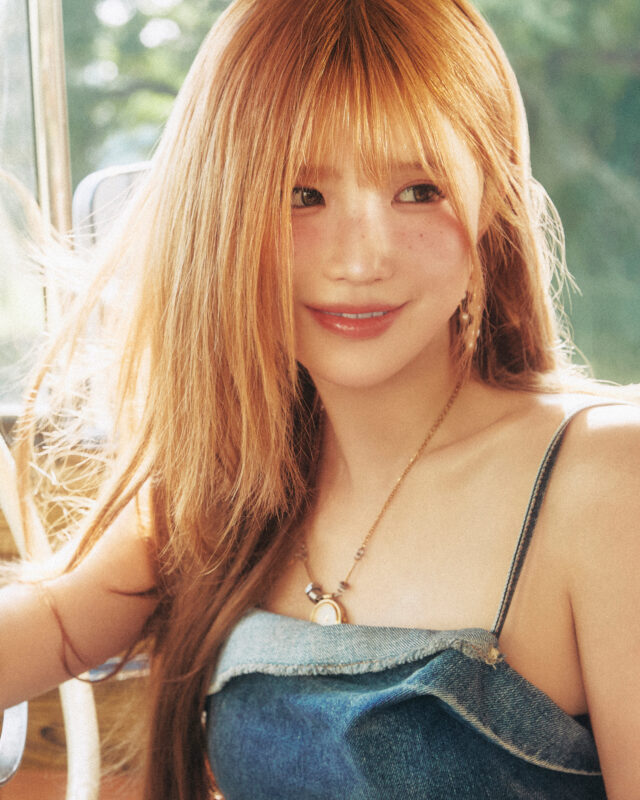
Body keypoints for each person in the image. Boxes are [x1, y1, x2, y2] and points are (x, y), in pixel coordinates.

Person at [1, 0, 640, 797]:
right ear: (220, 213)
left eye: (419, 190)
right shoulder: (227, 488)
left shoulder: (608, 481)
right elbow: (57, 628)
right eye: (302, 195)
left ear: (492, 201)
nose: (362, 259)